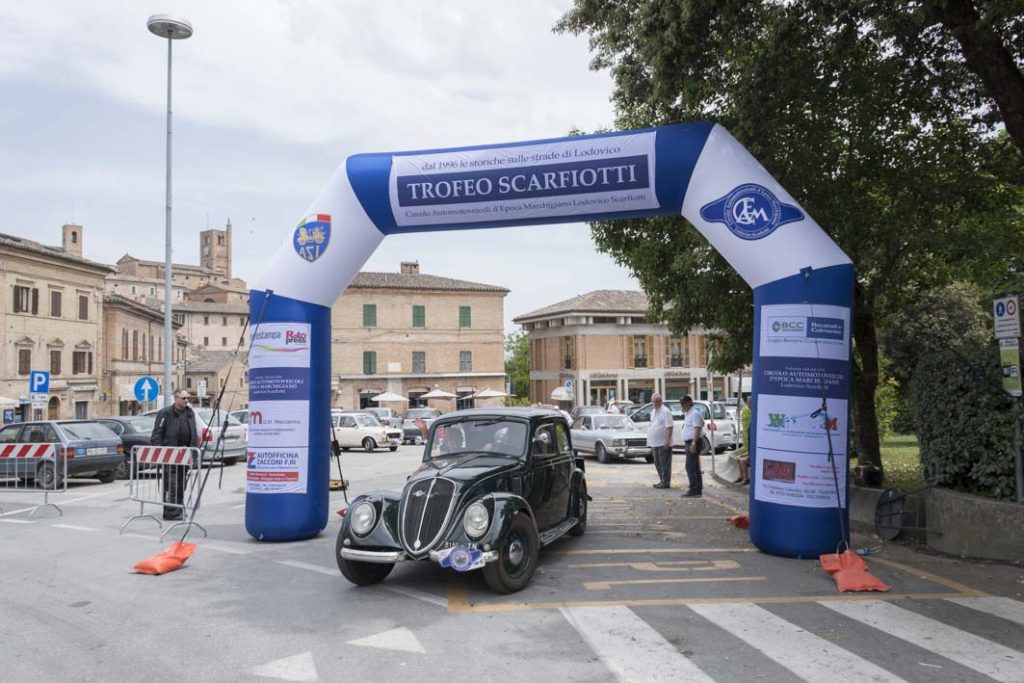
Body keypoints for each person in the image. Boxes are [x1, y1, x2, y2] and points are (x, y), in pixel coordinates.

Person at [150, 389, 199, 520]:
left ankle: (178, 508)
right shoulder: (165, 413)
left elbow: (194, 432)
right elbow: (156, 435)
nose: (186, 400)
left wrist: (194, 451)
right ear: (176, 398)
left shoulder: (189, 413)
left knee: (181, 484)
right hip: (170, 456)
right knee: (171, 484)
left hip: (185, 455)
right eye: (184, 398)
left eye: (188, 398)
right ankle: (170, 512)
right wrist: (160, 452)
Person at [646, 393, 674, 489]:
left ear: (660, 401)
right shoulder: (653, 411)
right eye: (653, 401)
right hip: (655, 443)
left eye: (656, 401)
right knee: (657, 462)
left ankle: (665, 482)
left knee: (664, 463)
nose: (654, 403)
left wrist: (667, 440)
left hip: (663, 442)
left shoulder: (665, 411)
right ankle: (662, 480)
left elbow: (669, 427)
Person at [679, 395, 705, 497]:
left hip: (693, 442)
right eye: (681, 404)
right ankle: (697, 489)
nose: (682, 406)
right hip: (690, 441)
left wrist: (694, 443)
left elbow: (698, 427)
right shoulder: (689, 413)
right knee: (694, 466)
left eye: (683, 404)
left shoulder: (694, 413)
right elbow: (702, 422)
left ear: (689, 403)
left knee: (690, 466)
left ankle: (694, 489)